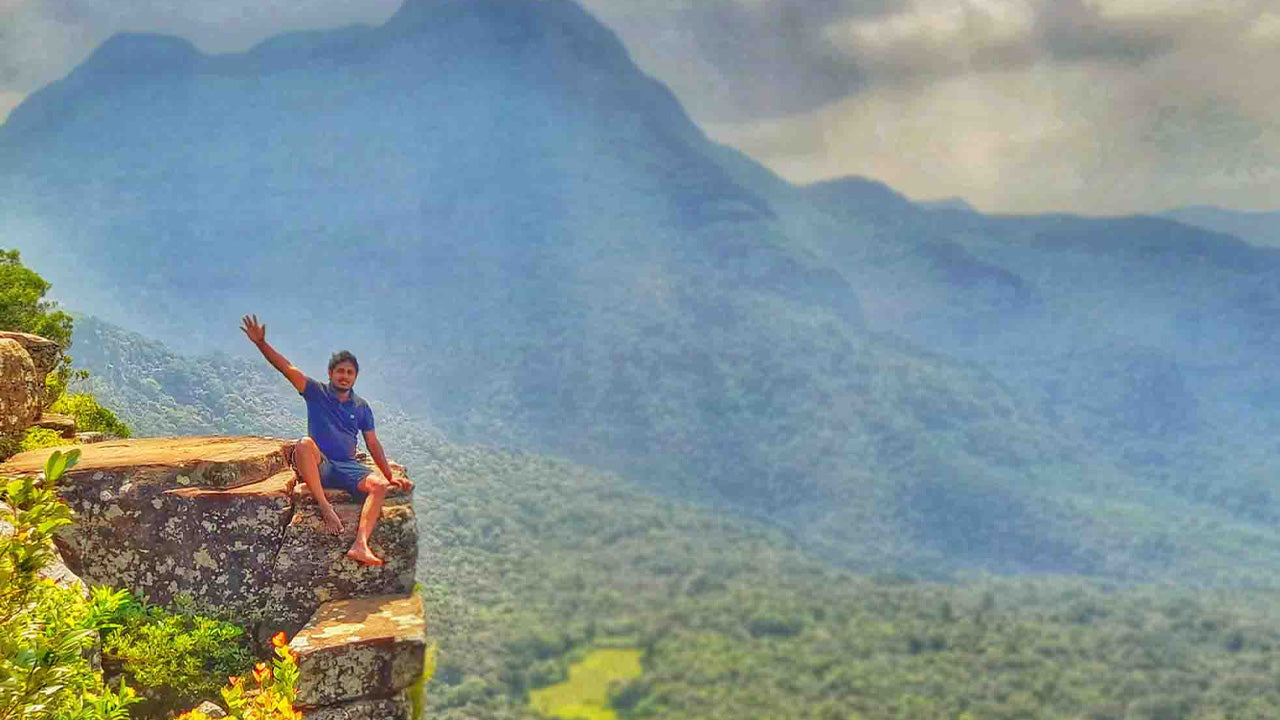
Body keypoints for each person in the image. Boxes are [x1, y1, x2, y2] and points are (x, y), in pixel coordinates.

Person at [240, 314, 411, 566]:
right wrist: (261, 343)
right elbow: (286, 367)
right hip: (321, 464)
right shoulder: (315, 392)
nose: (345, 376)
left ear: (355, 377)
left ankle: (360, 545)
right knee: (304, 444)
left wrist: (388, 475)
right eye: (340, 371)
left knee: (378, 487)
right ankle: (325, 506)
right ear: (331, 373)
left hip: (348, 466)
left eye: (350, 372)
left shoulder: (361, 407)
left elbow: (373, 443)